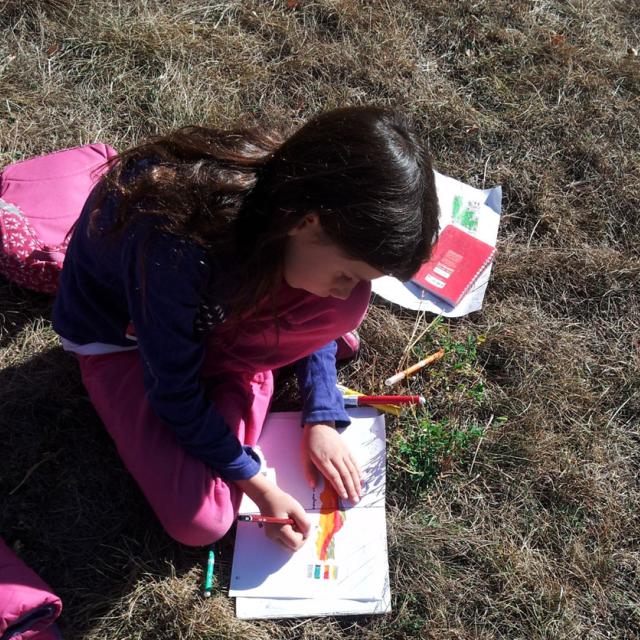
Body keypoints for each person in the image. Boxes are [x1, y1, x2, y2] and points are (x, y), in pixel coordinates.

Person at [52, 105, 439, 551]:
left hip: (216, 316)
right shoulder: (177, 248)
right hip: (121, 341)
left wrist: (321, 412)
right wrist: (258, 483)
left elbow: (324, 295)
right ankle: (250, 380)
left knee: (343, 311)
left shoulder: (294, 213)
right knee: (202, 521)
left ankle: (251, 376)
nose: (344, 289)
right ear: (308, 224)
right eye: (347, 273)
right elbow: (173, 392)